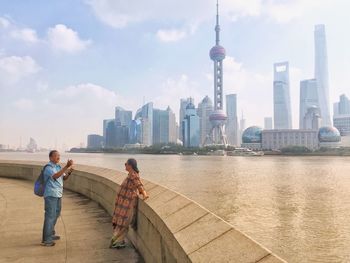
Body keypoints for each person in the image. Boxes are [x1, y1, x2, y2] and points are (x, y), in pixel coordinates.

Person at [110, 158, 149, 249]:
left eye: (126, 164)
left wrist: (144, 194)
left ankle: (116, 241)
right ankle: (117, 241)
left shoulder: (133, 175)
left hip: (127, 205)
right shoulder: (130, 175)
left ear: (130, 165)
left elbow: (139, 185)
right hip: (123, 204)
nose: (125, 165)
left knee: (123, 223)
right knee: (121, 223)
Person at [41, 150, 73, 246]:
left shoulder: (58, 167)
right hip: (51, 195)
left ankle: (50, 234)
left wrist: (69, 172)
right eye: (56, 156)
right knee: (50, 216)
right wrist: (66, 166)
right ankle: (47, 240)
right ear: (51, 158)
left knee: (56, 214)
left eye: (59, 155)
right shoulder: (48, 167)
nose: (58, 157)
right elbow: (55, 176)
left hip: (58, 194)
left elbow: (63, 178)